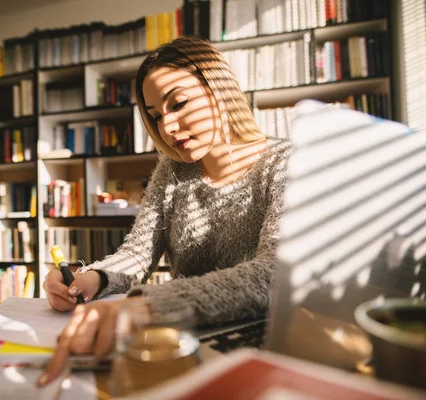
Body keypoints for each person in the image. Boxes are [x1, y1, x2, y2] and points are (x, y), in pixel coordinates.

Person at [36, 35, 291, 387]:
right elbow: (139, 252)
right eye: (155, 117)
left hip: (262, 353)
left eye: (179, 104)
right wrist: (91, 278)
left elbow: (275, 275)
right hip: (181, 344)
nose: (167, 128)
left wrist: (150, 305)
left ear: (220, 92)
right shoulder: (173, 170)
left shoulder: (284, 164)